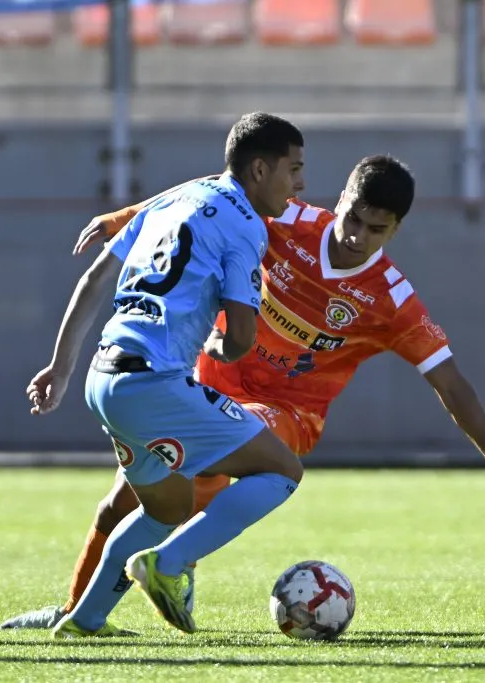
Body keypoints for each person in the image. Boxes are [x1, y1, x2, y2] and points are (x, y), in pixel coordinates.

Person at [2, 154, 485, 633]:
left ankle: (172, 564)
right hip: (200, 381)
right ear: (340, 199)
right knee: (122, 502)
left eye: (375, 229)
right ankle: (78, 613)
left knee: (231, 458)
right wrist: (125, 217)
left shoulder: (392, 300)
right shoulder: (287, 219)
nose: (356, 235)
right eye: (353, 217)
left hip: (290, 412)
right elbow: (211, 189)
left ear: (396, 231)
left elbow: (450, 382)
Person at [26, 111, 308, 638]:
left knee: (167, 506)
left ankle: (86, 620)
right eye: (294, 169)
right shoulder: (246, 225)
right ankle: (168, 565)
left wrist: (60, 369)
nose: (301, 183)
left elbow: (94, 278)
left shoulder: (173, 200)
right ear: (260, 170)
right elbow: (242, 337)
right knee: (282, 470)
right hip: (153, 384)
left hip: (103, 378)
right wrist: (223, 346)